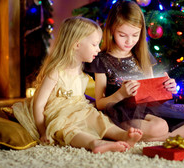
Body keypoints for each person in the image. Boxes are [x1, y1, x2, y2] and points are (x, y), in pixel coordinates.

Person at [12, 17, 142, 154]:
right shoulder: (56, 72)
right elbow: (38, 104)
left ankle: (122, 135)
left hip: (78, 108)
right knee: (67, 129)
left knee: (96, 118)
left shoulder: (81, 69)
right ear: (76, 44)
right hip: (58, 112)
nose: (98, 50)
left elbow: (78, 95)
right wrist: (43, 131)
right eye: (94, 44)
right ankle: (95, 143)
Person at [85, 0, 184, 141]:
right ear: (111, 30)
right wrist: (121, 94)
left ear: (141, 32)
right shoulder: (101, 60)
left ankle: (164, 138)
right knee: (159, 126)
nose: (129, 41)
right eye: (122, 35)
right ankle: (154, 135)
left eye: (135, 35)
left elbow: (152, 95)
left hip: (150, 110)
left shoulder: (143, 55)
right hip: (122, 112)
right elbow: (100, 103)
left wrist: (166, 88)